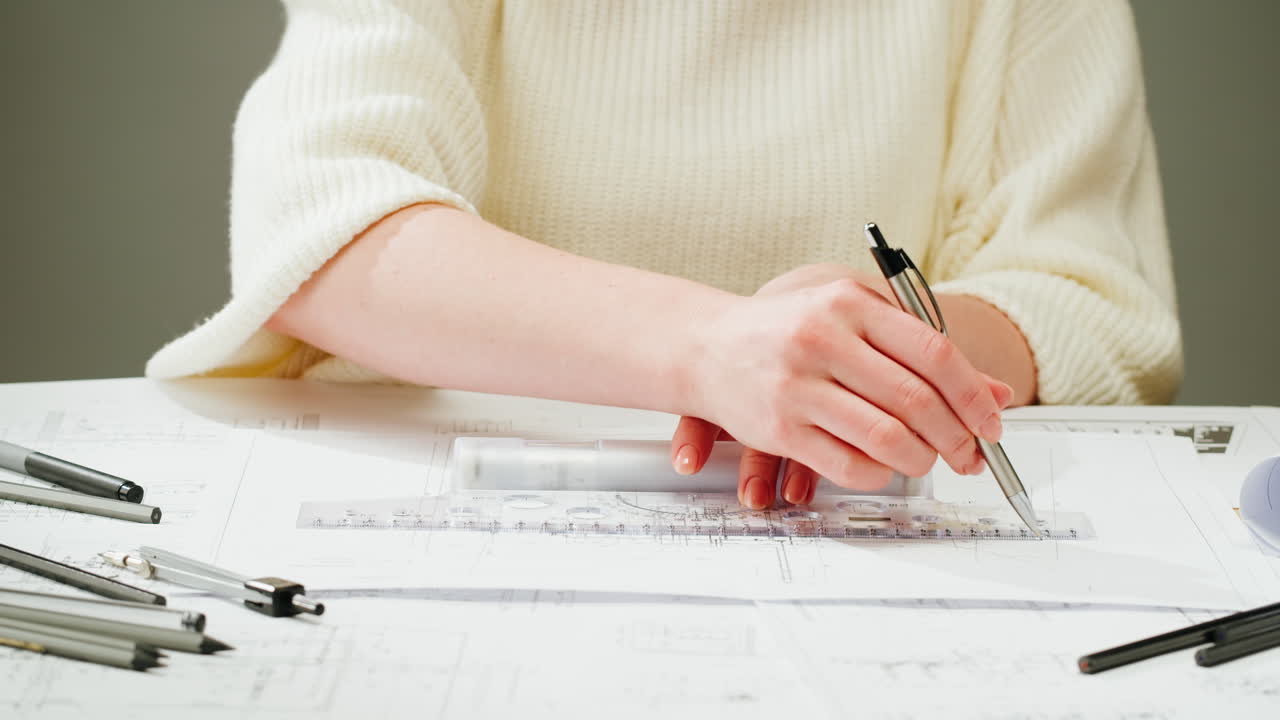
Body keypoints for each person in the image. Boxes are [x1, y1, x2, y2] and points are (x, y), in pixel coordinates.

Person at [148, 0, 1182, 510]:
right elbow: (322, 222)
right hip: (443, 511)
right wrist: (713, 348)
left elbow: (1086, 298)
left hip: (846, 536)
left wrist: (864, 346)